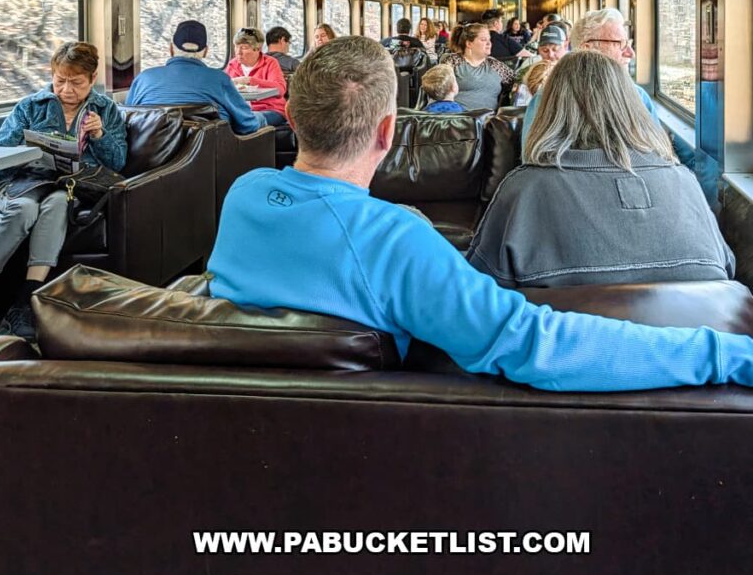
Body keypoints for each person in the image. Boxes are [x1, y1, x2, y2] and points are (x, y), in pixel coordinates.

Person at [208, 36, 753, 392]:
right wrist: (724, 353)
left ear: (292, 120)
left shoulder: (245, 195)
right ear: (388, 131)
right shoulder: (396, 242)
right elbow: (534, 343)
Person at [469, 52, 735, 287]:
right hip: (693, 341)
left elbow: (483, 288)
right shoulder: (684, 181)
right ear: (632, 107)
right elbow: (725, 269)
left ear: (550, 109)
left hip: (572, 342)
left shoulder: (524, 189)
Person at [0, 42, 127, 338]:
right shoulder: (30, 106)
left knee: (58, 204)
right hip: (25, 182)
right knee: (23, 209)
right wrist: (27, 148)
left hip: (71, 186)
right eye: (60, 80)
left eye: (76, 83)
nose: (66, 89)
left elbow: (119, 162)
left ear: (92, 78)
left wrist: (100, 135)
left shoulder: (106, 109)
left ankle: (25, 302)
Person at [522, 8, 657, 147]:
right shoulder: (546, 99)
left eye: (628, 43)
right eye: (620, 44)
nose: (631, 53)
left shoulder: (639, 96)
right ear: (588, 49)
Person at [125, 20, 266, 133]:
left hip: (149, 163)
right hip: (213, 161)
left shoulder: (143, 78)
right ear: (205, 51)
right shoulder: (219, 79)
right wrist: (262, 119)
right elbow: (248, 125)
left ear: (171, 48)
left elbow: (126, 120)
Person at [443, 23, 514, 111]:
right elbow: (438, 89)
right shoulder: (453, 61)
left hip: (488, 121)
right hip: (457, 120)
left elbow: (516, 81)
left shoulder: (494, 64)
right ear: (469, 43)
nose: (489, 43)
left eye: (489, 40)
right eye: (483, 40)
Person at [225, 28, 287, 126]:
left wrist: (249, 80)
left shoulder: (270, 63)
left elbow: (281, 89)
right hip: (241, 111)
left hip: (270, 110)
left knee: (248, 120)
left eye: (244, 48)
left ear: (258, 49)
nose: (238, 52)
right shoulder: (232, 64)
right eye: (236, 47)